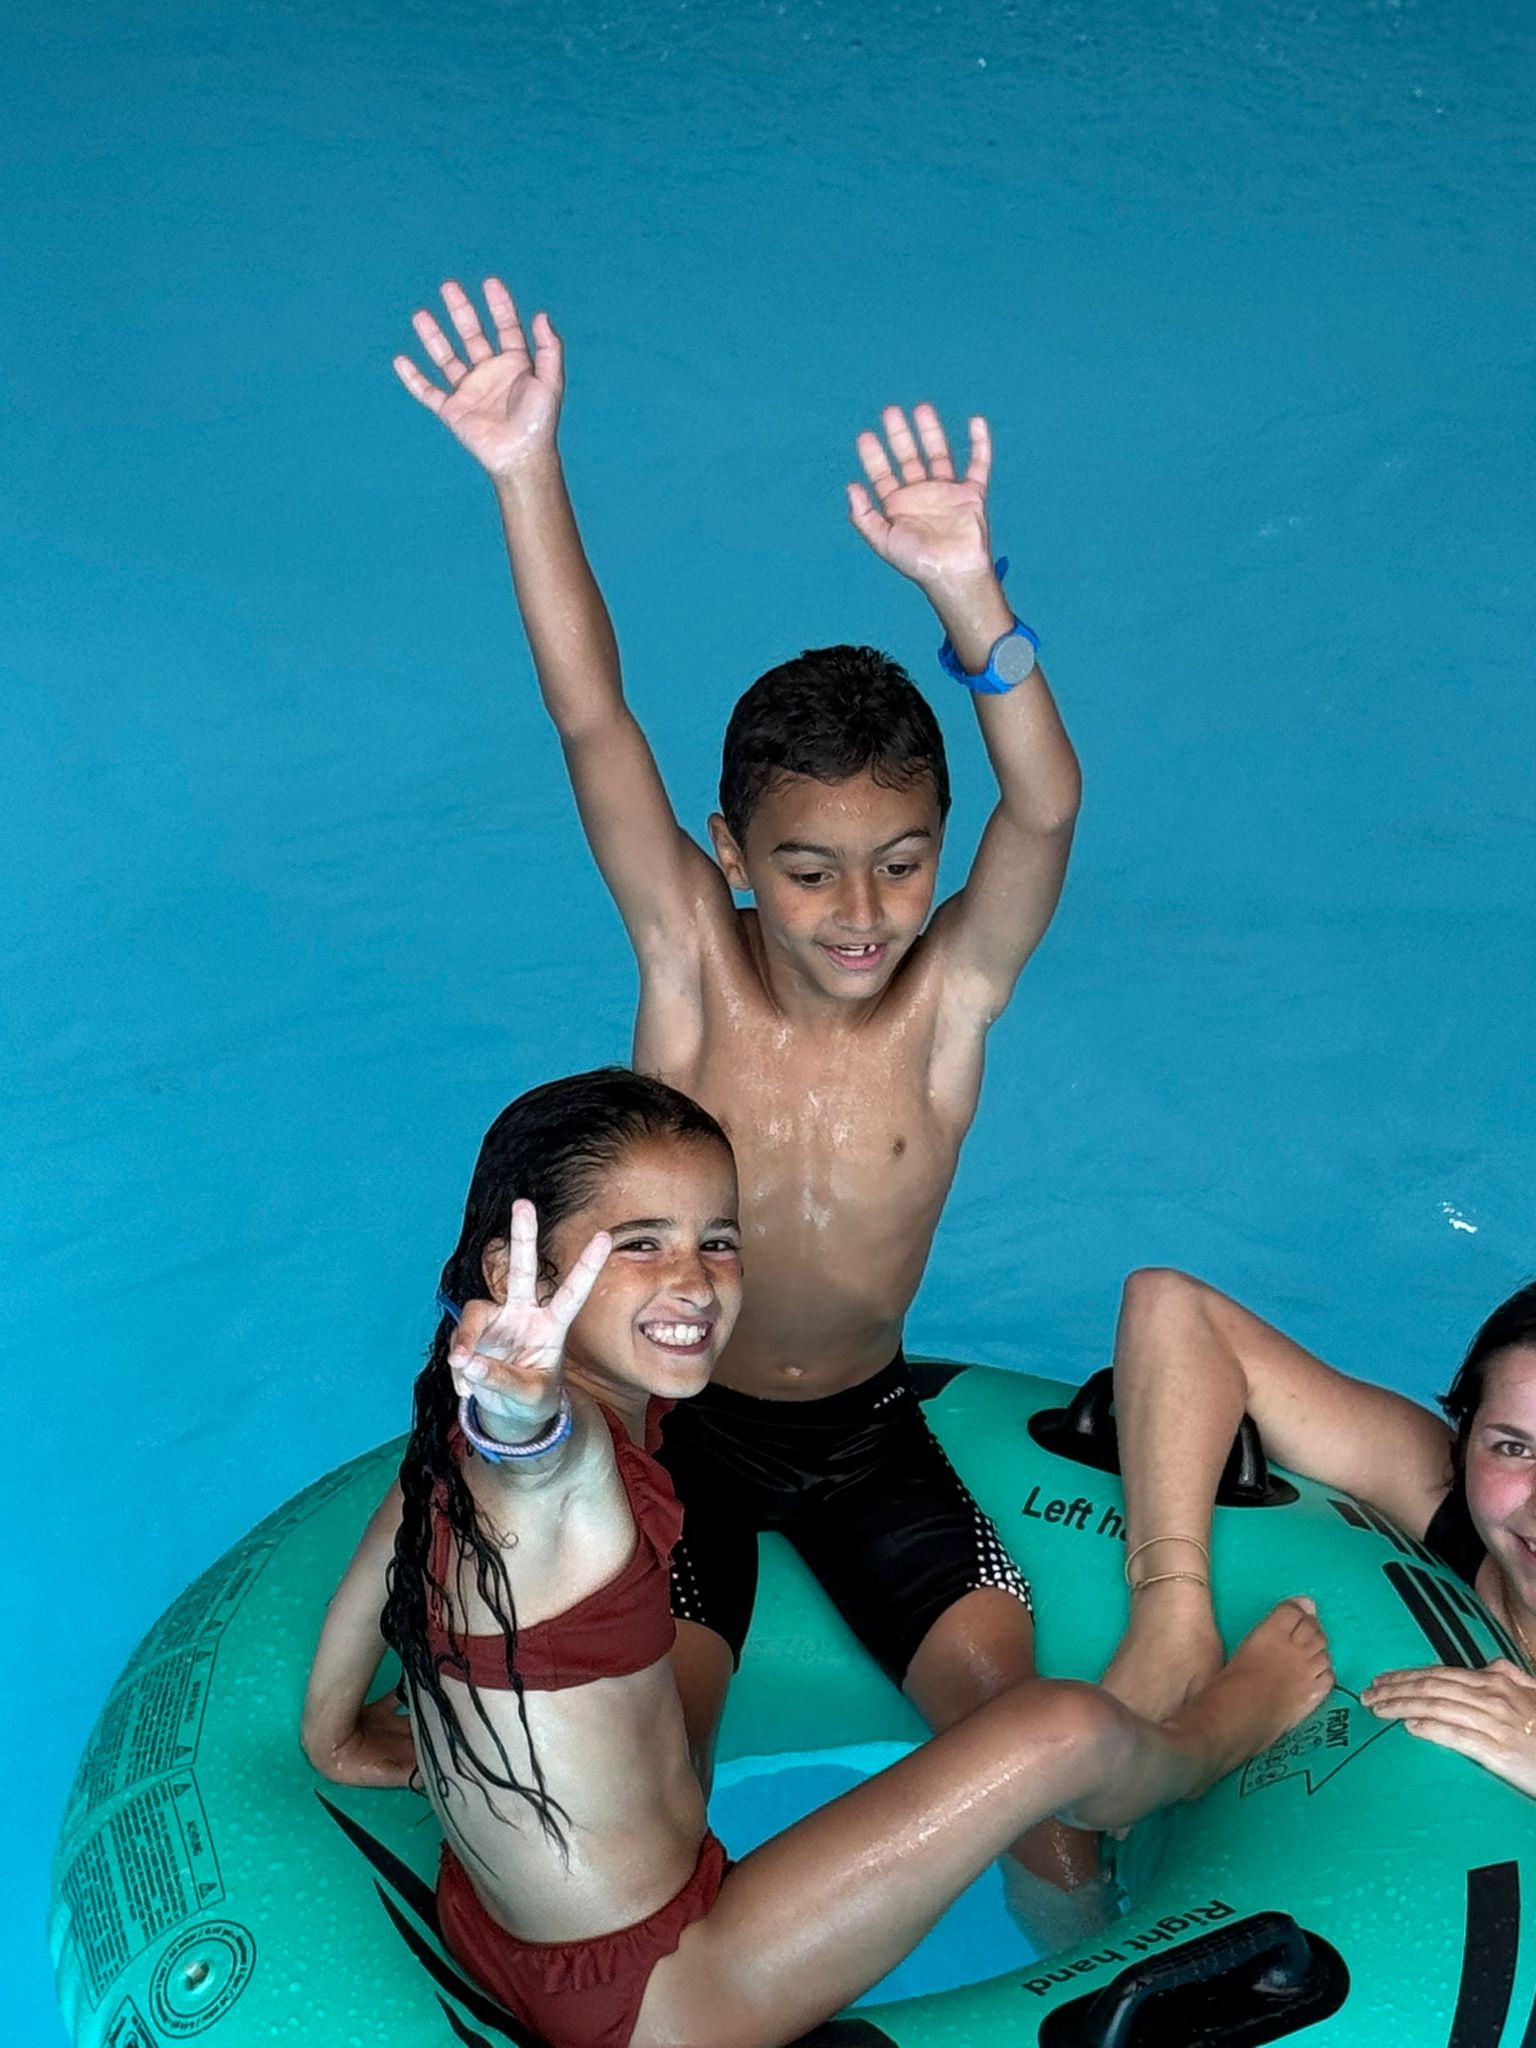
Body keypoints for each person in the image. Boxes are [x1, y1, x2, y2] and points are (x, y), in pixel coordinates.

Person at [391, 275, 1094, 1921]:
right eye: (809, 867)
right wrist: (523, 469)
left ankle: (1089, 1976)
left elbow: (1049, 810)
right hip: (669, 1431)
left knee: (1041, 1792)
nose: (862, 911)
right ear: (731, 854)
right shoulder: (688, 964)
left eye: (902, 862)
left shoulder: (952, 999)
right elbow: (590, 717)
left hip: (868, 1430)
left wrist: (969, 593)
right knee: (655, 1783)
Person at [302, 1069, 1335, 2048]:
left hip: (493, 1925)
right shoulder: (552, 1458)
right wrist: (521, 1419)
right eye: (640, 1244)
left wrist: (335, 1734)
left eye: (717, 1240)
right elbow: (537, 1462)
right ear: (514, 1276)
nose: (693, 1281)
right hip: (661, 1994)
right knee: (1060, 1725)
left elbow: (381, 1567)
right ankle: (1210, 1735)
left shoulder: (445, 1442)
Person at [1101, 1267, 1536, 1797]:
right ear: (1465, 1446)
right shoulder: (1446, 1502)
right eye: (1514, 1447)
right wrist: (1171, 1618)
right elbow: (1171, 1306)